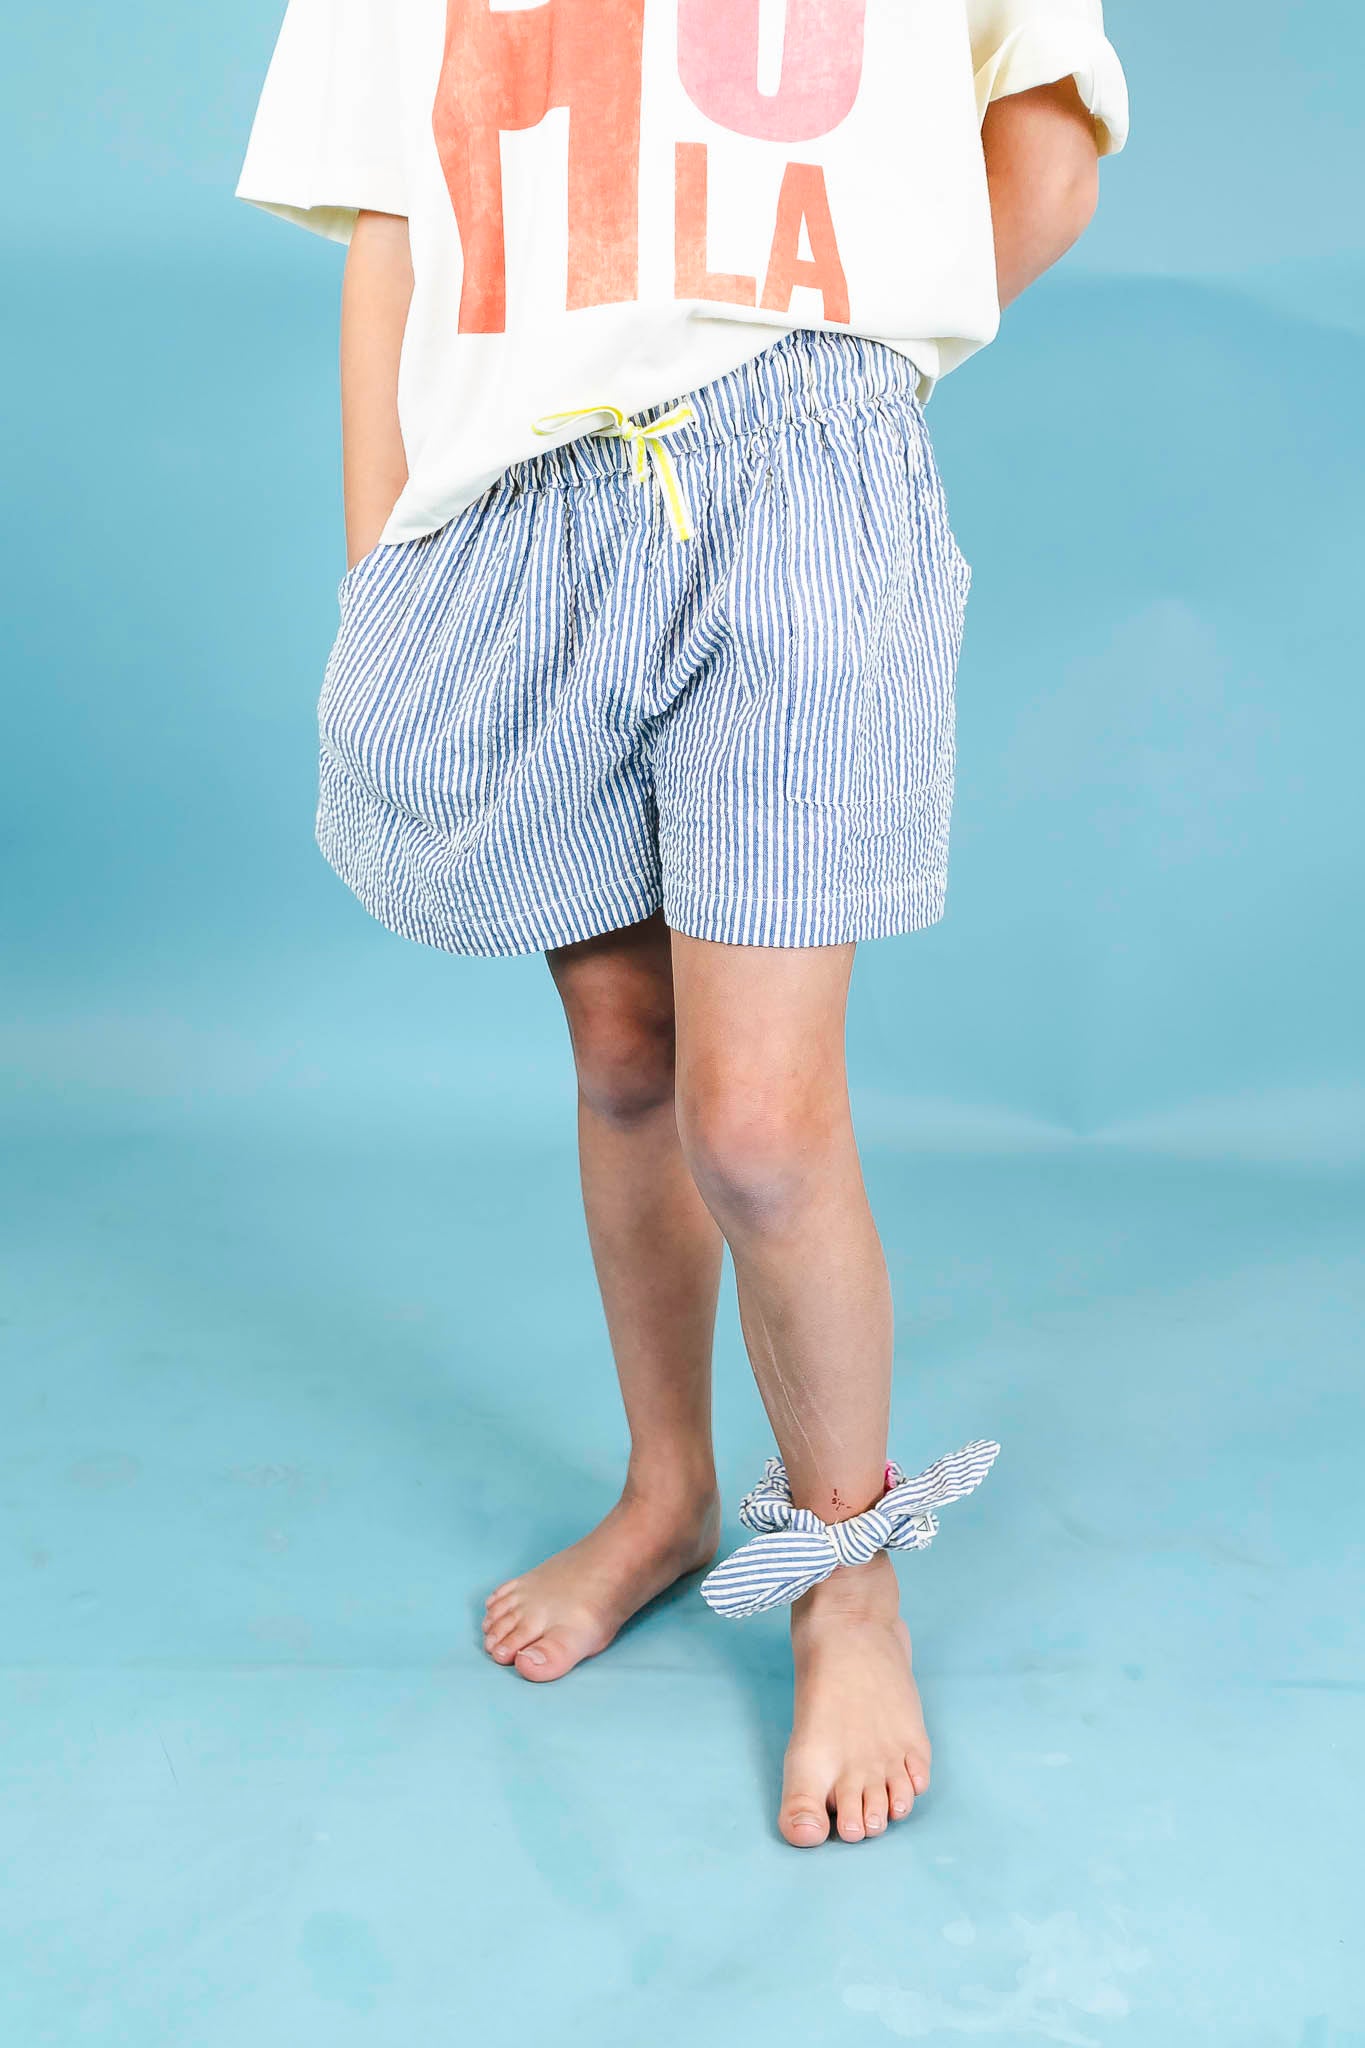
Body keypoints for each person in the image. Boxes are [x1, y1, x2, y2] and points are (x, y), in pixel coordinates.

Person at [237, 0, 1128, 1849]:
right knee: (626, 1056)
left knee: (760, 1127)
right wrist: (379, 575)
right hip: (511, 508)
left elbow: (1045, 162)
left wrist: (837, 390)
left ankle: (846, 1582)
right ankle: (664, 1492)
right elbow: (395, 227)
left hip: (799, 472)